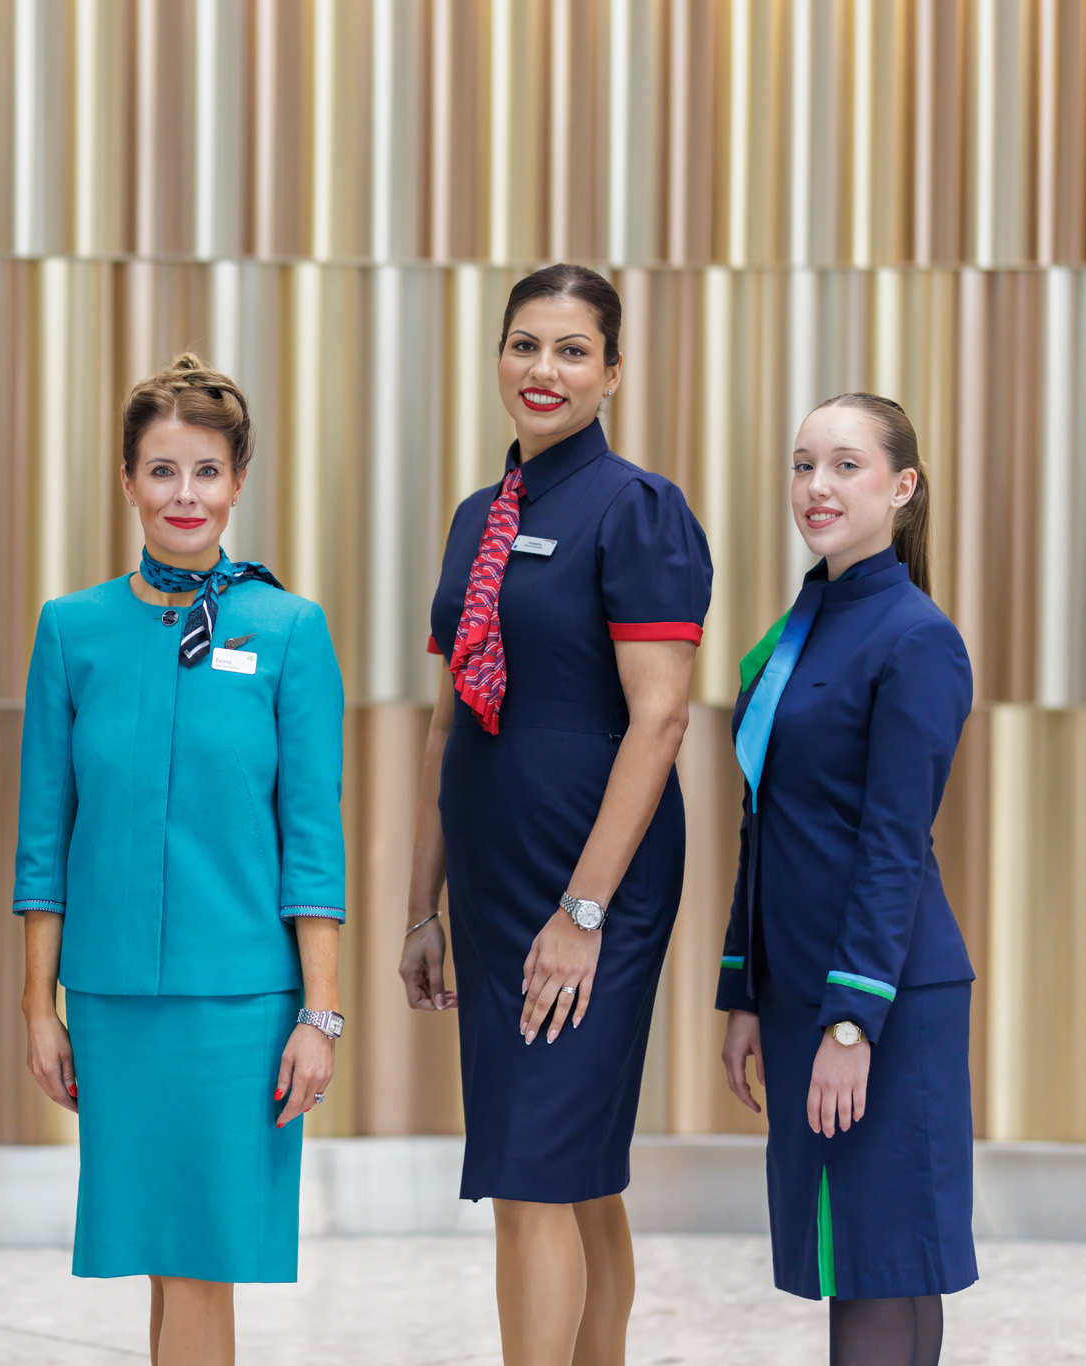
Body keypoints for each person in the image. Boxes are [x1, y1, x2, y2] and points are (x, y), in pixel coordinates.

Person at [399, 265, 712, 1365]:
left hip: (593, 881)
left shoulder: (637, 510)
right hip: (489, 880)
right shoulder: (478, 517)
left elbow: (660, 722)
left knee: (534, 1166)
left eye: (572, 349)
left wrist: (581, 910)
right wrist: (419, 902)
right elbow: (447, 723)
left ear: (612, 371)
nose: (543, 369)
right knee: (564, 1169)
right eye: (523, 344)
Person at [14, 354, 345, 1366]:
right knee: (162, 1260)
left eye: (205, 471)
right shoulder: (71, 631)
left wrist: (317, 1014)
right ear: (125, 481)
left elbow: (311, 842)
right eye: (161, 471)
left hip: (238, 1004)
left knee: (202, 1260)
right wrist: (38, 1004)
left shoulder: (289, 631)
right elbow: (43, 835)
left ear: (238, 480)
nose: (184, 495)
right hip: (113, 1000)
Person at [717, 394, 976, 1366]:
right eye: (800, 465)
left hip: (882, 995)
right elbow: (761, 817)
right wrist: (745, 989)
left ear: (901, 488)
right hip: (799, 993)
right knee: (862, 1251)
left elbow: (889, 842)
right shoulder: (797, 627)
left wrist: (847, 1020)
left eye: (844, 466)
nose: (815, 487)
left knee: (881, 1254)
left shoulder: (913, 638)